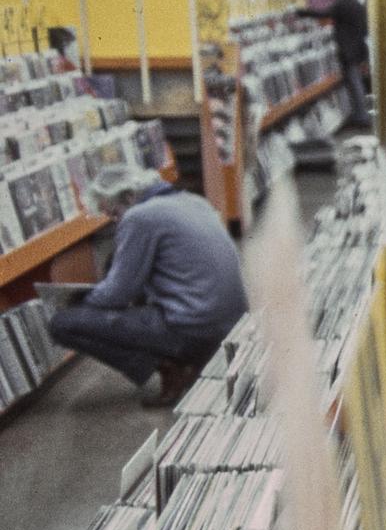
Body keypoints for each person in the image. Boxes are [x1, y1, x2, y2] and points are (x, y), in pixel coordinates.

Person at [50, 165, 246, 407]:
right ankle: (188, 362)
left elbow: (116, 295)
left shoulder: (139, 217)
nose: (116, 222)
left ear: (128, 197)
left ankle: (169, 367)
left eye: (114, 214)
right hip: (230, 325)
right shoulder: (193, 201)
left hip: (193, 329)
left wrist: (77, 298)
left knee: (62, 324)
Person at [329, 0, 371, 129]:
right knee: (356, 82)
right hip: (357, 48)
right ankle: (360, 114)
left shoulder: (343, 2)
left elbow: (326, 13)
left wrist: (301, 12)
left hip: (349, 50)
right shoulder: (353, 1)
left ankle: (361, 116)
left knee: (354, 82)